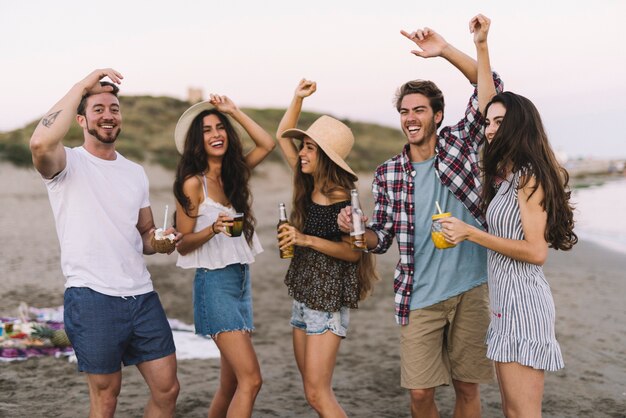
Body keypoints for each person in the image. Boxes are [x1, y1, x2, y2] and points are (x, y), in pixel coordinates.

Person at [338, 15, 502, 418]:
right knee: (420, 395)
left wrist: (454, 48)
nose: (410, 118)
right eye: (404, 111)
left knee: (467, 387)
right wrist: (358, 234)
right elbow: (383, 236)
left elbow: (491, 90)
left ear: (438, 115)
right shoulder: (388, 172)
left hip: (471, 287)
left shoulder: (460, 146)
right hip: (419, 294)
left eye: (419, 110)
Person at [438, 18, 578, 418]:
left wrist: (470, 233)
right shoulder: (507, 176)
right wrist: (481, 46)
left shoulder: (529, 179)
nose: (489, 128)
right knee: (511, 411)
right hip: (503, 303)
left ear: (517, 125)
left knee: (523, 413)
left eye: (499, 123)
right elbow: (486, 101)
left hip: (524, 303)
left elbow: (536, 252)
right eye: (488, 123)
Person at [29, 68, 180, 418]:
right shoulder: (66, 164)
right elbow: (39, 142)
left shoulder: (135, 172)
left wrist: (160, 242)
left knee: (168, 389)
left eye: (114, 108)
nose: (108, 115)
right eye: (98, 109)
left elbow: (144, 234)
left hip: (142, 295)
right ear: (80, 119)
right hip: (92, 296)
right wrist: (81, 86)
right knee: (106, 398)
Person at [275, 79, 378, 417]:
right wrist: (297, 98)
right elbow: (281, 135)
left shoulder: (343, 199)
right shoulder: (307, 183)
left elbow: (352, 253)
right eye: (302, 146)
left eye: (309, 148)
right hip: (304, 294)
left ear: (325, 156)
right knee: (311, 391)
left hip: (327, 300)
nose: (301, 153)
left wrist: (304, 239)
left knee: (319, 394)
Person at [173, 93, 274, 418]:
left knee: (231, 385)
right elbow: (182, 243)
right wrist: (212, 229)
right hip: (213, 286)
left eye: (220, 128)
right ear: (196, 141)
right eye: (207, 130)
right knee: (252, 380)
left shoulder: (233, 175)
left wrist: (235, 111)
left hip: (240, 284)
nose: (216, 134)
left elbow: (267, 144)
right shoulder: (192, 184)